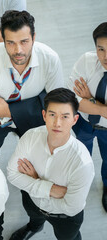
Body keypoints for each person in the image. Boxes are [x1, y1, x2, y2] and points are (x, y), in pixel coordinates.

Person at [7, 88, 94, 240]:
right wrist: (52, 190)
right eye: (52, 115)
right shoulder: (30, 137)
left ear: (74, 120)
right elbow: (12, 174)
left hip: (65, 217)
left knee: (69, 237)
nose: (57, 123)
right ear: (44, 115)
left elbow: (72, 207)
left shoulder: (82, 163)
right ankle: (34, 227)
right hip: (31, 200)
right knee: (34, 218)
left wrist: (34, 180)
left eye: (65, 117)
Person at [0, 10, 64, 159]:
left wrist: (9, 111)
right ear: (3, 40)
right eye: (11, 43)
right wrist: (36, 105)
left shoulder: (50, 59)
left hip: (33, 122)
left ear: (33, 38)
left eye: (24, 41)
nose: (18, 51)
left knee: (37, 152)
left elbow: (57, 105)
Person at [67, 22, 107, 212]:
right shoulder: (86, 61)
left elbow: (82, 100)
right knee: (82, 156)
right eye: (101, 49)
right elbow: (72, 99)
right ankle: (80, 184)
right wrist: (101, 108)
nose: (105, 56)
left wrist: (89, 99)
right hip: (83, 123)